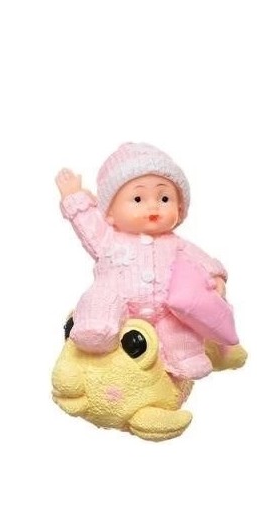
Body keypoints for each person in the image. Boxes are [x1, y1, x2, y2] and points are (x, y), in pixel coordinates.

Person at [55, 142, 238, 379]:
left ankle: (185, 357)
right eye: (138, 198)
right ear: (109, 213)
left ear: (179, 208)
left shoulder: (177, 244)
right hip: (118, 300)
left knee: (180, 328)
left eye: (164, 198)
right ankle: (95, 326)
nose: (153, 206)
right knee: (101, 298)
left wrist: (215, 278)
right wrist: (74, 195)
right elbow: (86, 222)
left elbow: (202, 262)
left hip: (165, 310)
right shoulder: (107, 238)